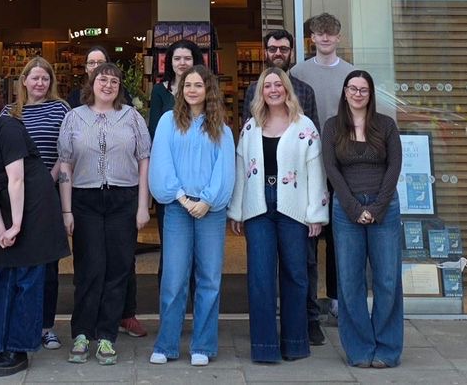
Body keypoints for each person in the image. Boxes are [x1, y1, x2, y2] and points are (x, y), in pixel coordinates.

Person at [0, 84, 67, 378]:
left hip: (35, 206)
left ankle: (19, 348)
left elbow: (16, 180)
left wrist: (17, 226)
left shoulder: (8, 129)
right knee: (1, 279)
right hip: (7, 208)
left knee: (27, 280)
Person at [230, 67, 328, 364]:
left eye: (278, 85)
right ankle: (264, 347)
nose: (273, 90)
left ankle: (295, 343)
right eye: (267, 86)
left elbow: (316, 171)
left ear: (287, 89)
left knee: (296, 275)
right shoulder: (251, 127)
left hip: (293, 208)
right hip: (258, 208)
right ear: (261, 92)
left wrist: (316, 213)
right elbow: (241, 169)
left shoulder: (304, 125)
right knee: (260, 278)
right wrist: (237, 210)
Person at [56, 62, 150, 366]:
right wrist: (66, 209)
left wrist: (143, 205)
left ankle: (107, 335)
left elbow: (144, 160)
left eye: (113, 81)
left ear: (119, 87)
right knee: (89, 267)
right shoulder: (74, 117)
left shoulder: (132, 117)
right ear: (92, 83)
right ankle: (83, 333)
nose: (108, 85)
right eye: (102, 79)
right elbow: (65, 165)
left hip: (123, 198)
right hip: (85, 199)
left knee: (119, 268)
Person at [146, 65, 234, 367]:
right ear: (180, 90)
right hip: (177, 208)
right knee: (174, 279)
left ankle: (203, 346)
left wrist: (207, 200)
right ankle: (166, 344)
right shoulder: (168, 122)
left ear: (209, 90)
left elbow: (225, 169)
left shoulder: (221, 128)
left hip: (211, 211)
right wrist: (182, 197)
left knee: (209, 279)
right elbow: (161, 161)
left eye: (198, 85)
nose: (192, 90)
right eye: (187, 85)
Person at [323, 69, 404, 370]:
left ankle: (387, 348)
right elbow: (331, 169)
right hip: (346, 210)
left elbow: (394, 167)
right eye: (352, 88)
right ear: (345, 92)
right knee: (350, 281)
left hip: (385, 208)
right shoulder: (333, 126)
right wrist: (354, 208)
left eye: (363, 89)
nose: (358, 94)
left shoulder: (386, 125)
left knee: (387, 280)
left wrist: (378, 207)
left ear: (370, 94)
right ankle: (359, 348)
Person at [292, 13, 351, 317]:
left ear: (339, 37)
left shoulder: (352, 73)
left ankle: (338, 297)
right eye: (320, 33)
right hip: (308, 162)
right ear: (312, 38)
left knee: (340, 232)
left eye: (331, 33)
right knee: (309, 233)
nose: (325, 38)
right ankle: (309, 300)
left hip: (342, 161)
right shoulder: (297, 73)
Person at [11, 57, 70, 353]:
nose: (39, 83)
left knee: (48, 265)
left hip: (49, 193)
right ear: (24, 80)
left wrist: (50, 177)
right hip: (17, 196)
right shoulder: (10, 112)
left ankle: (46, 327)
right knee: (19, 263)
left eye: (45, 78)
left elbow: (66, 149)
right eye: (34, 78)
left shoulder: (61, 109)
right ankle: (22, 324)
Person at [146, 40, 198, 138]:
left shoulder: (204, 89)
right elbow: (154, 129)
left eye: (187, 58)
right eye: (177, 58)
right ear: (171, 62)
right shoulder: (159, 90)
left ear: (195, 61)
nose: (182, 63)